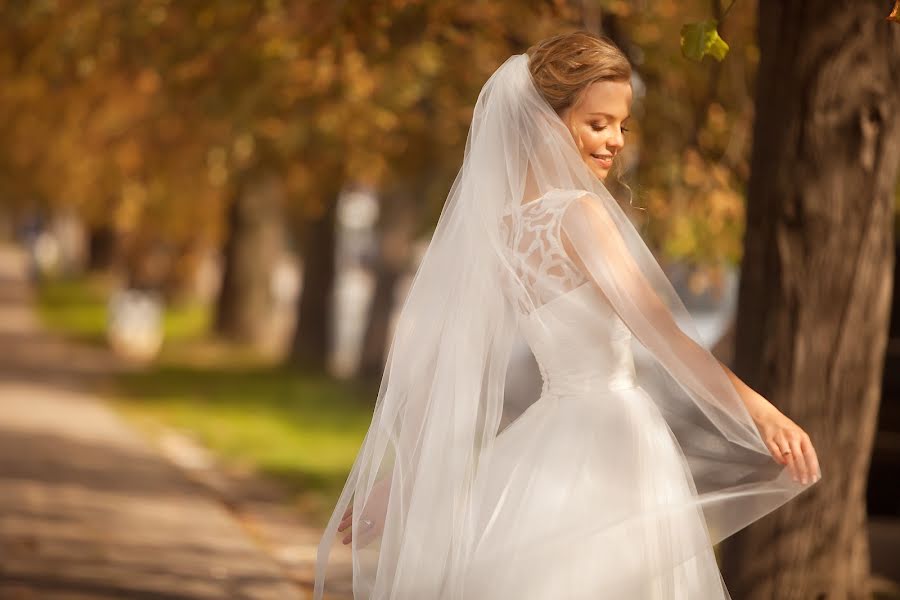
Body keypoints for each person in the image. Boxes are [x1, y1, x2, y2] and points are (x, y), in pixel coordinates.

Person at [314, 31, 821, 599]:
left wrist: (396, 485)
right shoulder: (580, 215)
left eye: (622, 126)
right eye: (598, 123)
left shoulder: (503, 229)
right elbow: (663, 334)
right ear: (544, 121)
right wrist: (762, 413)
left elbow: (453, 363)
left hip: (548, 439)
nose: (615, 142)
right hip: (610, 442)